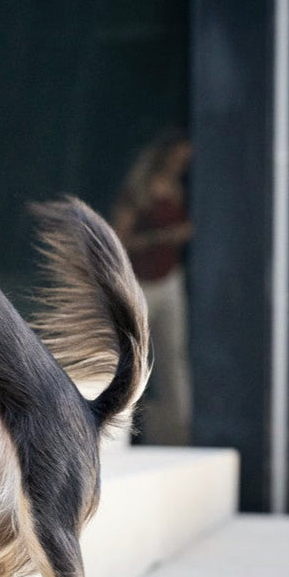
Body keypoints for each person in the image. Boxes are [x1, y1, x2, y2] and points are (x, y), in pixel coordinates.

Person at [112, 131, 193, 445]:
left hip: (170, 279)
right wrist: (164, 237)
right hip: (140, 283)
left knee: (173, 359)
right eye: (178, 158)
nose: (181, 164)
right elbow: (119, 240)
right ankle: (122, 432)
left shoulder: (180, 188)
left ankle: (178, 435)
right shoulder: (139, 190)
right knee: (131, 357)